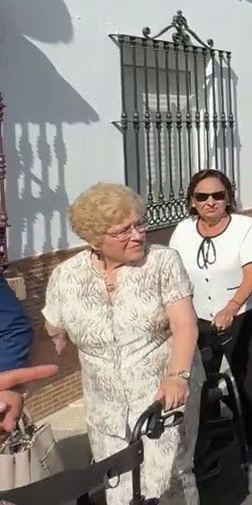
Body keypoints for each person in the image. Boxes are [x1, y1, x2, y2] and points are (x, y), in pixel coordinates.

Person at [44, 183, 202, 504]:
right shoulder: (66, 276)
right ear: (94, 238)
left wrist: (177, 376)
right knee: (117, 483)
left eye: (139, 224)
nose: (138, 235)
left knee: (166, 482)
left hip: (162, 399)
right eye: (123, 231)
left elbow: (184, 324)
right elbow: (52, 338)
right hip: (105, 407)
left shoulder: (162, 262)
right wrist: (18, 388)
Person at [168, 169, 252, 459]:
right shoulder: (182, 231)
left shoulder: (244, 226)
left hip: (243, 313)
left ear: (228, 198)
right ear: (192, 201)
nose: (210, 202)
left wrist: (231, 306)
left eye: (218, 195)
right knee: (200, 380)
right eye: (202, 196)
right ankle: (208, 439)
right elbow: (171, 273)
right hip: (198, 317)